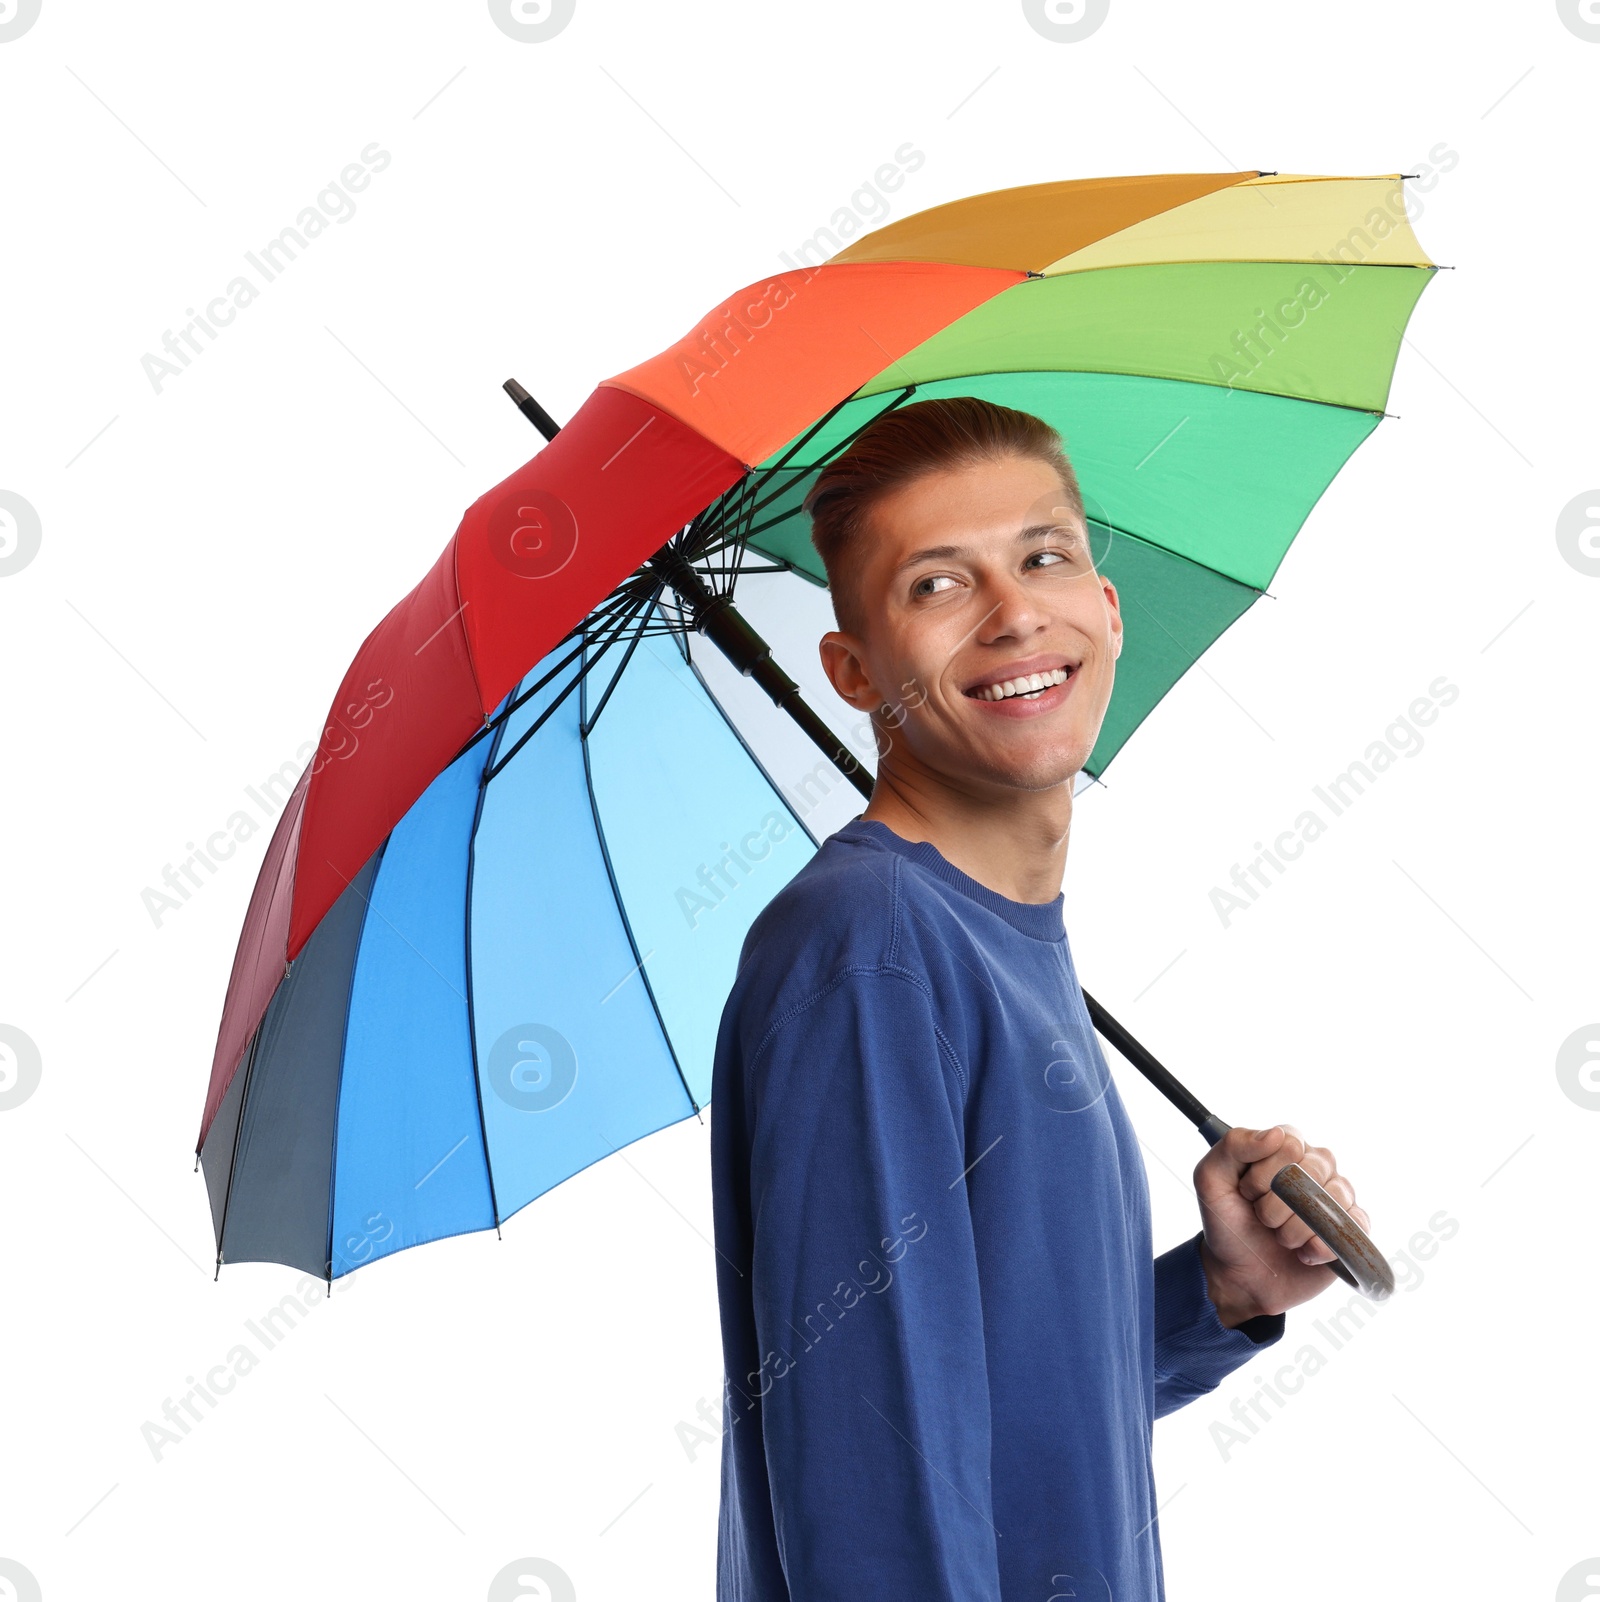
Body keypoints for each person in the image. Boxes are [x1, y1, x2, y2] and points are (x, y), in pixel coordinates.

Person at [707, 395, 1372, 1600]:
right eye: (935, 586)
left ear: (1106, 611)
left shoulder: (1000, 940)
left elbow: (1015, 1405)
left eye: (1044, 557)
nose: (1015, 615)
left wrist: (1221, 1294)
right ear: (854, 672)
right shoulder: (873, 944)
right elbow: (876, 1471)